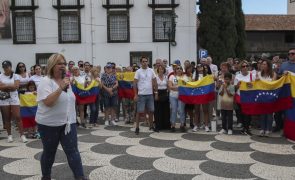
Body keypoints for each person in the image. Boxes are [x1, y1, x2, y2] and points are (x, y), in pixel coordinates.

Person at [35, 53, 86, 180]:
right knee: (49, 152)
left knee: (73, 151)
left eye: (64, 63)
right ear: (52, 65)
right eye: (59, 63)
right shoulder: (45, 82)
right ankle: (46, 177)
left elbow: (69, 100)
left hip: (68, 123)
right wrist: (60, 88)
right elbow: (48, 103)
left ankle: (80, 177)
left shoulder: (66, 81)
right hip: (48, 124)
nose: (62, 66)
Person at [0, 60, 27, 143]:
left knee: (18, 116)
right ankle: (9, 135)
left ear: (10, 67)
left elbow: (16, 87)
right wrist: (10, 86)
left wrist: (5, 86)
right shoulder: (0, 76)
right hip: (4, 98)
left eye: (7, 67)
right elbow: (0, 87)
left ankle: (22, 135)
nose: (6, 69)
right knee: (6, 117)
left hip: (14, 98)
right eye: (4, 67)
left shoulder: (16, 76)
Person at [133, 57, 158, 135]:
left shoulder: (151, 70)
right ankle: (137, 127)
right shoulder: (138, 71)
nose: (145, 63)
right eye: (143, 61)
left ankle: (151, 126)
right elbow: (134, 84)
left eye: (146, 61)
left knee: (151, 111)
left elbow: (155, 82)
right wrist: (135, 94)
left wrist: (156, 92)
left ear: (148, 62)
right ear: (141, 63)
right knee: (139, 112)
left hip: (150, 94)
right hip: (141, 95)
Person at [256, 60, 277, 137]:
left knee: (269, 114)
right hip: (261, 96)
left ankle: (268, 129)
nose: (262, 65)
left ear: (268, 65)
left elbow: (273, 84)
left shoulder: (273, 74)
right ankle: (262, 129)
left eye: (264, 64)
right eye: (262, 64)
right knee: (262, 113)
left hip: (270, 96)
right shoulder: (258, 74)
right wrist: (256, 81)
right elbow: (255, 84)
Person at [234, 60, 253, 136]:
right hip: (240, 97)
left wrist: (248, 85)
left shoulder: (252, 75)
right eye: (243, 66)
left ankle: (247, 128)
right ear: (240, 68)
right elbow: (235, 88)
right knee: (241, 113)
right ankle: (244, 128)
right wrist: (238, 85)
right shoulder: (238, 76)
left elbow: (254, 85)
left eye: (246, 66)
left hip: (249, 97)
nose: (245, 67)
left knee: (248, 114)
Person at [193, 64, 212, 132]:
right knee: (196, 111)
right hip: (197, 94)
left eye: (200, 66)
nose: (199, 68)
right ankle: (196, 125)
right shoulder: (194, 75)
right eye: (198, 67)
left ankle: (206, 125)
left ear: (203, 68)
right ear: (196, 69)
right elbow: (192, 83)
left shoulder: (207, 76)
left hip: (204, 95)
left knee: (205, 110)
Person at [168, 65, 186, 132]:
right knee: (174, 110)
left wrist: (175, 87)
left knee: (181, 111)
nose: (179, 70)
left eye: (180, 68)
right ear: (175, 70)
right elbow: (170, 86)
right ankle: (173, 125)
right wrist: (179, 88)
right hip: (173, 96)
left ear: (182, 70)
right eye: (177, 68)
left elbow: (186, 87)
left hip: (182, 96)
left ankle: (182, 125)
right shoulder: (172, 76)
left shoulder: (184, 77)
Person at [154, 65, 170, 131]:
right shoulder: (155, 77)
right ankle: (158, 126)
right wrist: (156, 94)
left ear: (164, 70)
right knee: (158, 111)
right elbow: (154, 86)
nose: (161, 70)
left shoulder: (166, 77)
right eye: (160, 69)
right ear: (158, 70)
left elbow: (168, 86)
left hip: (165, 93)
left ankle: (165, 125)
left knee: (166, 110)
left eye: (162, 69)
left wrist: (168, 93)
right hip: (158, 93)